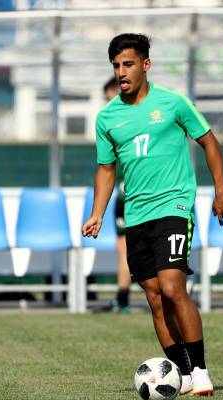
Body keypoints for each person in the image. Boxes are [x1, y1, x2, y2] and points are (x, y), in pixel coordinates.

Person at [82, 33, 223, 396]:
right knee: (153, 297)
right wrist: (97, 213)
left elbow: (209, 141)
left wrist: (221, 190)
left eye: (128, 64)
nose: (121, 72)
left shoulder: (174, 103)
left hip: (174, 206)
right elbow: (105, 169)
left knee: (171, 286)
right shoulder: (107, 118)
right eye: (116, 65)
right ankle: (178, 373)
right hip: (135, 215)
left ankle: (200, 370)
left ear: (145, 65)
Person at [102, 76, 132, 313]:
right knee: (124, 248)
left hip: (130, 192)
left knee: (128, 249)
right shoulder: (109, 121)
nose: (107, 104)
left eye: (109, 98)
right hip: (123, 194)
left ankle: (123, 299)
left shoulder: (123, 119)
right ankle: (122, 299)